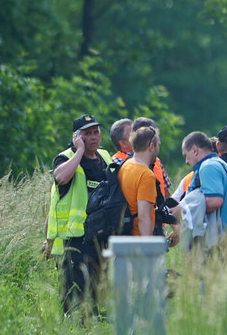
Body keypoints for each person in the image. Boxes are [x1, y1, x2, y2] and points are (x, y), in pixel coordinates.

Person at [47, 114, 112, 317]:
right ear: (77, 137)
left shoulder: (105, 156)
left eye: (96, 132)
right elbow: (61, 177)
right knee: (73, 291)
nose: (94, 137)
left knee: (97, 289)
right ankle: (72, 325)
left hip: (101, 236)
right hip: (75, 239)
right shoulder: (66, 157)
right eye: (87, 134)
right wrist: (80, 152)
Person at [181, 131, 227, 240]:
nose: (186, 161)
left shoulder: (208, 167)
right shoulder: (218, 163)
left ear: (194, 150)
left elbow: (214, 201)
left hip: (220, 240)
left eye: (186, 155)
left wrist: (185, 208)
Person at [118, 127, 161, 237]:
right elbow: (143, 217)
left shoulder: (125, 165)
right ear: (151, 146)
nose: (158, 149)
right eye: (158, 145)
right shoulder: (146, 175)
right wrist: (148, 247)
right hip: (137, 240)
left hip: (123, 236)